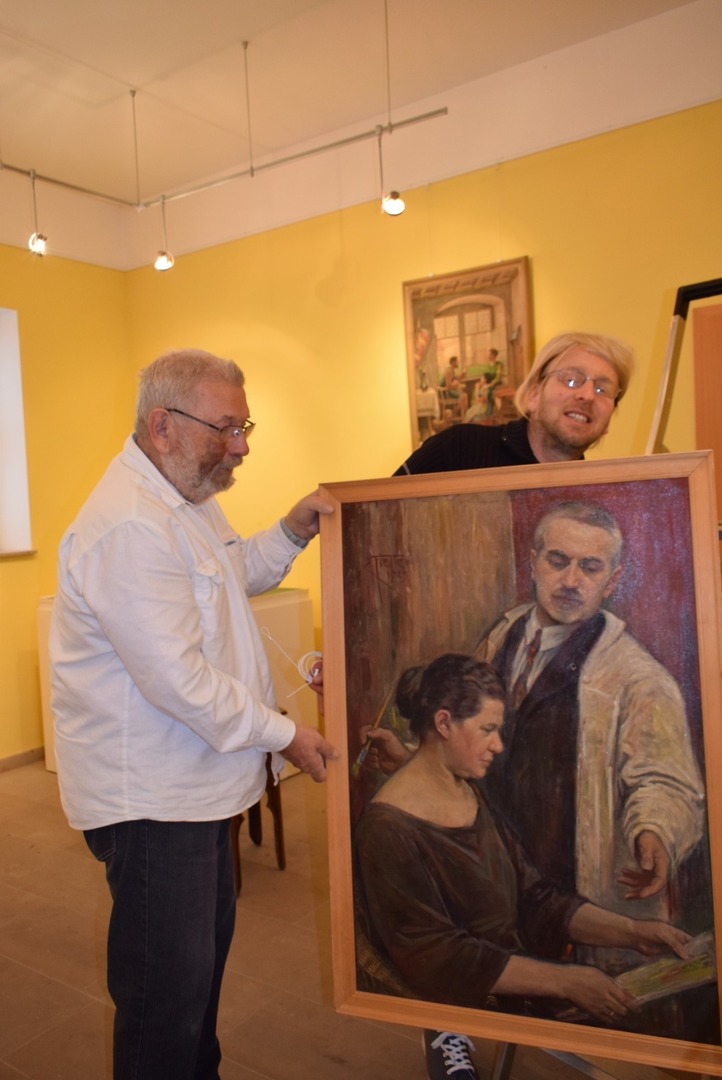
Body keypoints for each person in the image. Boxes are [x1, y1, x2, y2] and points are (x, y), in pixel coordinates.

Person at [50, 348, 338, 1080]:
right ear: (163, 426)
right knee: (165, 1005)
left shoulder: (188, 497)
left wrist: (294, 528)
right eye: (227, 429)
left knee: (195, 985)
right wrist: (286, 734)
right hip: (154, 803)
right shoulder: (130, 526)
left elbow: (228, 575)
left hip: (197, 787)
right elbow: (180, 682)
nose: (241, 446)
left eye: (245, 427)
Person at [355, 655, 691, 1025]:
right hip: (474, 1013)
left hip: (521, 995)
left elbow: (536, 898)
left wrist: (632, 932)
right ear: (444, 723)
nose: (498, 746)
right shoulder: (386, 829)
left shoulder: (468, 793)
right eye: (487, 729)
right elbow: (436, 957)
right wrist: (564, 982)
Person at [395, 330, 633, 476]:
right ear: (533, 394)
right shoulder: (456, 449)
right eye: (571, 380)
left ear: (608, 420)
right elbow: (377, 522)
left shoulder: (598, 497)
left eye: (602, 389)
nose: (588, 395)